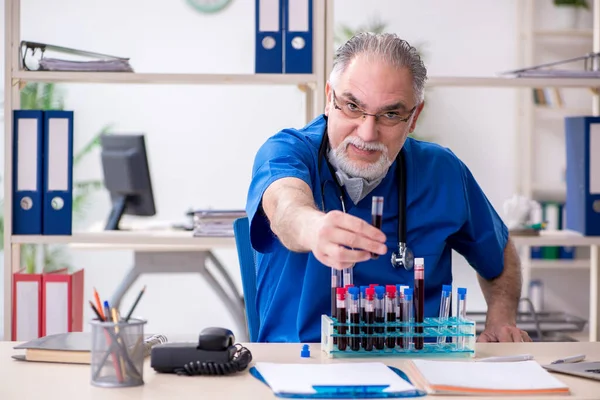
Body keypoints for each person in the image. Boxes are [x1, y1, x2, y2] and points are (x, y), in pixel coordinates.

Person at [245, 32, 530, 344]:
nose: (367, 133)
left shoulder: (442, 172)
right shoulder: (286, 152)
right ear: (329, 98)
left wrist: (501, 319)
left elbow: (498, 251)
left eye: (390, 114)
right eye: (353, 106)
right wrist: (313, 228)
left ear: (414, 116)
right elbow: (285, 206)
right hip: (303, 369)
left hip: (423, 371)